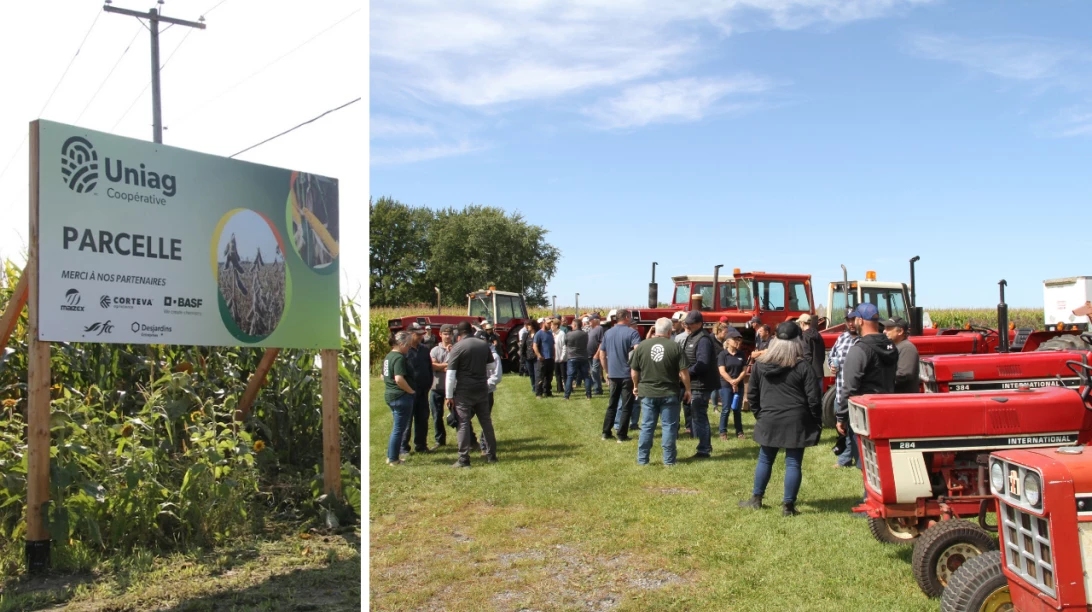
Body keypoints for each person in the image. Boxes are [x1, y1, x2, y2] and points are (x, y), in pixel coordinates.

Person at [738, 321, 822, 516]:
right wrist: (814, 419)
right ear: (797, 342)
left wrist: (761, 415)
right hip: (796, 419)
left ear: (775, 340)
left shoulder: (760, 364)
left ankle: (756, 499)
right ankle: (788, 506)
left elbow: (752, 395)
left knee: (765, 459)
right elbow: (814, 398)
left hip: (769, 417)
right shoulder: (802, 366)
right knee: (793, 463)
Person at [835, 303, 898, 512]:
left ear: (860, 321)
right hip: (888, 408)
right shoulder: (891, 346)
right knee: (881, 459)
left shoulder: (860, 349)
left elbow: (849, 386)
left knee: (866, 461)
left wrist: (841, 416)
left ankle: (870, 503)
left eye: (855, 319)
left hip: (865, 412)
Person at [631, 318, 691, 465]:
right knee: (669, 427)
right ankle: (669, 461)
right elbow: (684, 372)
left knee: (647, 426)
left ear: (655, 329)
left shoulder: (642, 346)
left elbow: (634, 371)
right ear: (670, 331)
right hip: (669, 392)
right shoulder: (675, 346)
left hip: (648, 392)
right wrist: (688, 389)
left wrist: (635, 386)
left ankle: (642, 460)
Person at [445, 321, 497, 467]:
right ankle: (491, 455)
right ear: (471, 330)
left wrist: (449, 396)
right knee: (486, 422)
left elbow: (450, 375)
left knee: (463, 423)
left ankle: (463, 459)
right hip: (481, 387)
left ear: (459, 333)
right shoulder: (483, 344)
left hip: (464, 390)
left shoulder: (458, 347)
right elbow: (492, 366)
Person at [600, 309, 642, 442]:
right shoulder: (632, 332)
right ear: (626, 317)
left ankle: (606, 432)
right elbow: (638, 351)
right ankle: (622, 434)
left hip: (613, 374)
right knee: (626, 405)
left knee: (612, 404)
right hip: (627, 374)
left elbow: (602, 354)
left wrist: (607, 371)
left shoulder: (608, 332)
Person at [681, 311, 718, 459]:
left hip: (701, 384)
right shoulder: (693, 336)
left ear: (699, 324)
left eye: (690, 323)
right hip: (695, 382)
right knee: (696, 416)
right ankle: (704, 445)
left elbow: (702, 364)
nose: (687, 326)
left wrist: (686, 373)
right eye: (686, 323)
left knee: (699, 416)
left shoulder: (703, 340)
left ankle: (704, 449)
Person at [828, 310, 859, 465]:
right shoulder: (842, 338)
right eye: (848, 320)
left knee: (856, 429)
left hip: (856, 393)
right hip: (840, 390)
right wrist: (832, 366)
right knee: (842, 429)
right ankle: (845, 458)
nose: (851, 323)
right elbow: (831, 356)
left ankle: (857, 458)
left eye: (853, 320)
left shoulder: (863, 340)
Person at [382, 332, 416, 466]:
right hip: (400, 396)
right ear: (401, 344)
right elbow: (399, 379)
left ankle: (390, 456)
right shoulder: (399, 358)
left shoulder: (388, 356)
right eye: (408, 345)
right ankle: (393, 459)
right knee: (399, 429)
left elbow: (383, 376)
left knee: (396, 428)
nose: (409, 348)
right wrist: (411, 391)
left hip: (390, 395)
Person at [401, 323, 434, 455]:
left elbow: (429, 368)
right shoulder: (404, 351)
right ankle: (403, 448)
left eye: (422, 334)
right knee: (407, 420)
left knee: (422, 418)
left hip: (422, 391)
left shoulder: (425, 349)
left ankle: (421, 445)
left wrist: (428, 384)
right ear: (410, 334)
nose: (422, 336)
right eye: (418, 334)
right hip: (407, 391)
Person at [428, 324, 455, 447]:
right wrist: (447, 366)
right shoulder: (434, 350)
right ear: (440, 334)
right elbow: (433, 365)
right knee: (436, 416)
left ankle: (466, 439)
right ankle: (440, 440)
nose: (447, 336)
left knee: (457, 414)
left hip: (453, 388)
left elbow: (457, 366)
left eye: (449, 334)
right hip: (436, 388)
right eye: (445, 334)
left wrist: (441, 366)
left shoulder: (456, 349)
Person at [718, 328, 747, 440]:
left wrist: (737, 381)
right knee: (726, 409)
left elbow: (744, 370)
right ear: (728, 341)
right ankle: (723, 432)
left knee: (737, 409)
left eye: (738, 339)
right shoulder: (723, 355)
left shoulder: (741, 354)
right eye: (734, 339)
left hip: (738, 385)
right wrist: (731, 381)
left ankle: (739, 432)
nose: (737, 341)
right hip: (726, 385)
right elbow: (722, 371)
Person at [883, 317, 920, 393]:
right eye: (885, 328)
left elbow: (903, 375)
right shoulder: (895, 346)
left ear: (900, 331)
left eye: (888, 329)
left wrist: (881, 381)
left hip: (904, 400)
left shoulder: (907, 348)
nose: (884, 331)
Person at [798, 314, 825, 397]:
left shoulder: (805, 336)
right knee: (818, 400)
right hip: (819, 371)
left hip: (810, 375)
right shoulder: (819, 335)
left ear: (802, 323)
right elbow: (822, 354)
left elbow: (807, 357)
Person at [564, 318, 592, 400]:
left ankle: (567, 395)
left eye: (572, 325)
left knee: (570, 376)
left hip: (572, 357)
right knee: (586, 376)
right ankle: (588, 395)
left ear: (575, 325)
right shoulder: (585, 334)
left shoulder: (569, 334)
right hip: (583, 357)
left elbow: (566, 343)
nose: (571, 326)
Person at [533, 318, 555, 398]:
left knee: (549, 377)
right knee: (540, 376)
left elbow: (552, 345)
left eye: (550, 323)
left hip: (550, 358)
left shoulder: (550, 333)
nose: (550, 325)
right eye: (548, 323)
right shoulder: (538, 334)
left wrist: (554, 355)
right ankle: (539, 393)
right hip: (542, 359)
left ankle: (547, 392)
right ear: (543, 323)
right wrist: (539, 355)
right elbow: (535, 346)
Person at [586, 313, 605, 395]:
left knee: (595, 372)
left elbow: (602, 342)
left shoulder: (599, 328)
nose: (589, 321)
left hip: (595, 355)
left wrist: (597, 354)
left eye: (590, 320)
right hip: (589, 355)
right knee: (592, 373)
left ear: (595, 320)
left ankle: (598, 390)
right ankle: (596, 388)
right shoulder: (591, 329)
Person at [521, 320, 538, 393]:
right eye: (526, 325)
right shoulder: (525, 335)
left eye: (529, 325)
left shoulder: (537, 334)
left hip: (536, 357)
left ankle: (538, 387)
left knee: (537, 373)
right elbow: (523, 346)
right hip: (528, 357)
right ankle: (534, 387)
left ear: (533, 326)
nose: (527, 327)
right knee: (531, 373)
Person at [553, 319, 568, 395]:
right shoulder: (552, 334)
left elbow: (564, 346)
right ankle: (559, 388)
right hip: (555, 358)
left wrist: (562, 357)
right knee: (557, 374)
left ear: (556, 326)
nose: (551, 326)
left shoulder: (561, 333)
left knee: (564, 374)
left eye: (552, 325)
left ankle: (568, 389)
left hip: (561, 358)